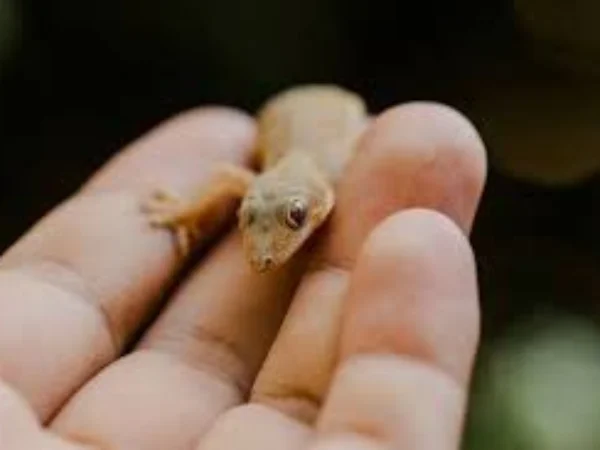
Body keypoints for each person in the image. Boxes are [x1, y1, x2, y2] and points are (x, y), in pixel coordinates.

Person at [0, 102, 486, 449]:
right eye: (249, 220)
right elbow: (232, 182)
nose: (263, 250)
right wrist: (189, 212)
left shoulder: (337, 171)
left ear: (318, 202)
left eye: (293, 218)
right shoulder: (260, 184)